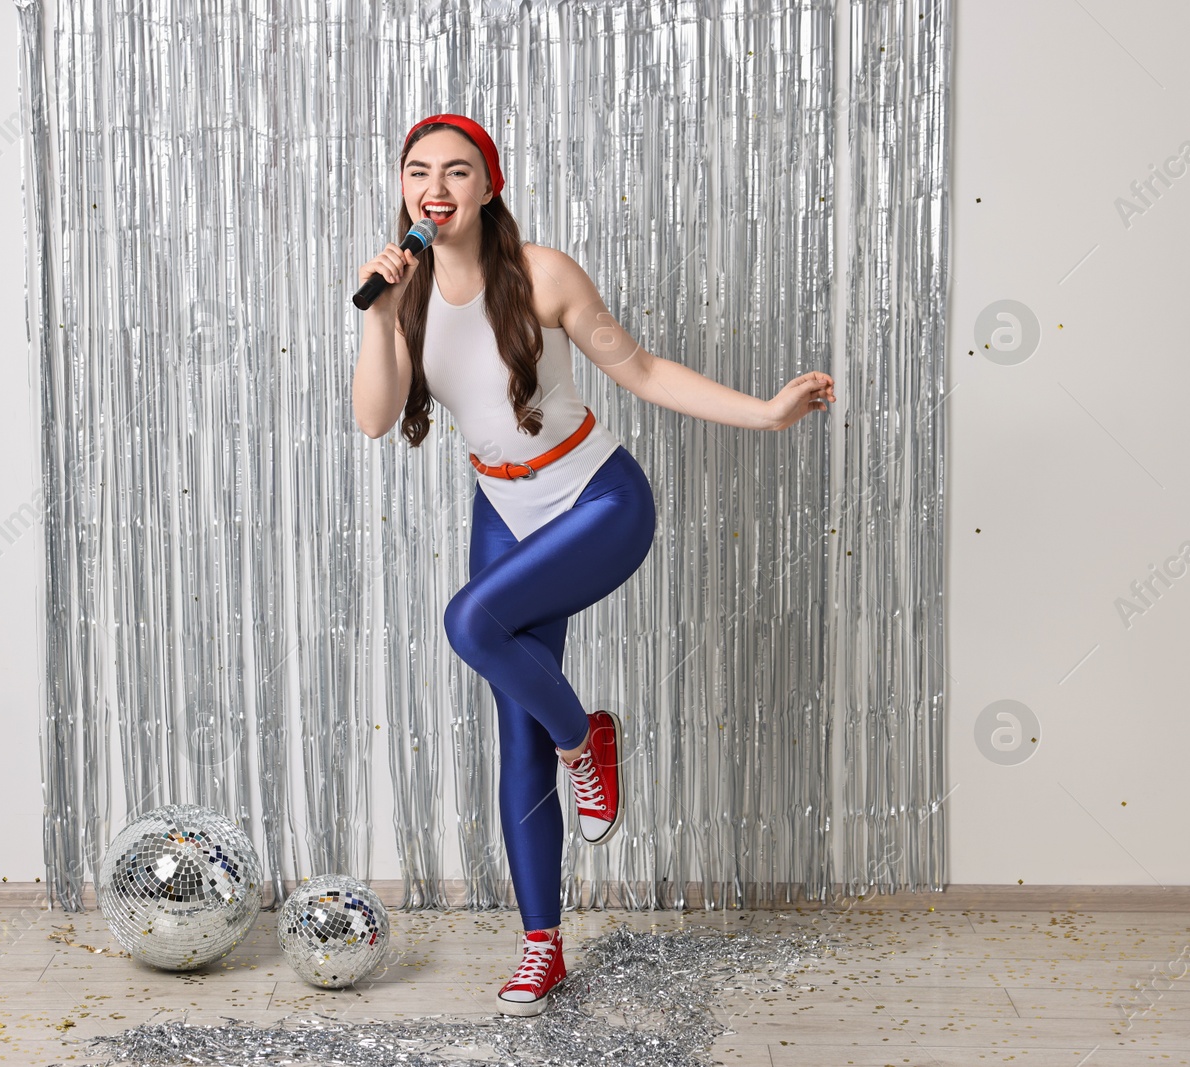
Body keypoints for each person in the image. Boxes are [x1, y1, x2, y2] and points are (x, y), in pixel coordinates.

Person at [351, 113, 835, 1017]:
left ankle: (588, 740)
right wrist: (378, 312)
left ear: (487, 186)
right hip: (500, 507)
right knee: (517, 729)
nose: (436, 186)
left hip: (597, 501)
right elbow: (375, 418)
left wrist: (767, 413)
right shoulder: (404, 299)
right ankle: (543, 945)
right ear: (405, 188)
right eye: (419, 171)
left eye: (458, 170)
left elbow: (642, 369)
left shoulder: (542, 274)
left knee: (469, 622)